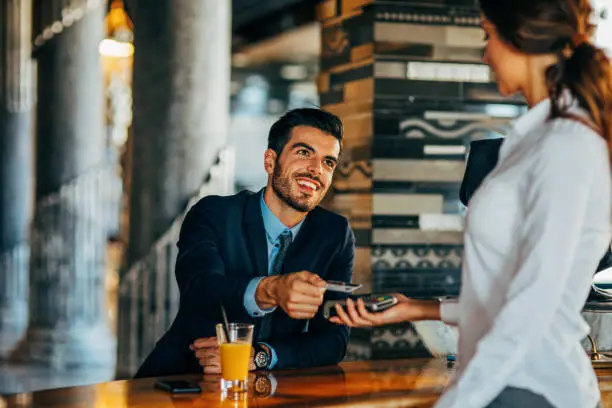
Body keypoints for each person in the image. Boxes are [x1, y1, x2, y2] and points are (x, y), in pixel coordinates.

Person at [331, 0, 612, 407]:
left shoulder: (567, 145)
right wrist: (419, 309)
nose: (485, 54)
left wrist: (460, 400)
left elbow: (534, 305)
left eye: (488, 34)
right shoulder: (531, 140)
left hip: (529, 388)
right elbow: (507, 292)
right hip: (507, 383)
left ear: (522, 37)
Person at [134, 108, 355, 378]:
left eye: (328, 162)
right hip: (182, 380)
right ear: (271, 161)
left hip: (271, 390)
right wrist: (272, 290)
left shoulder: (334, 233)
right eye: (304, 153)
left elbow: (333, 342)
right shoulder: (214, 213)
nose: (316, 170)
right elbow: (200, 288)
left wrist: (260, 355)